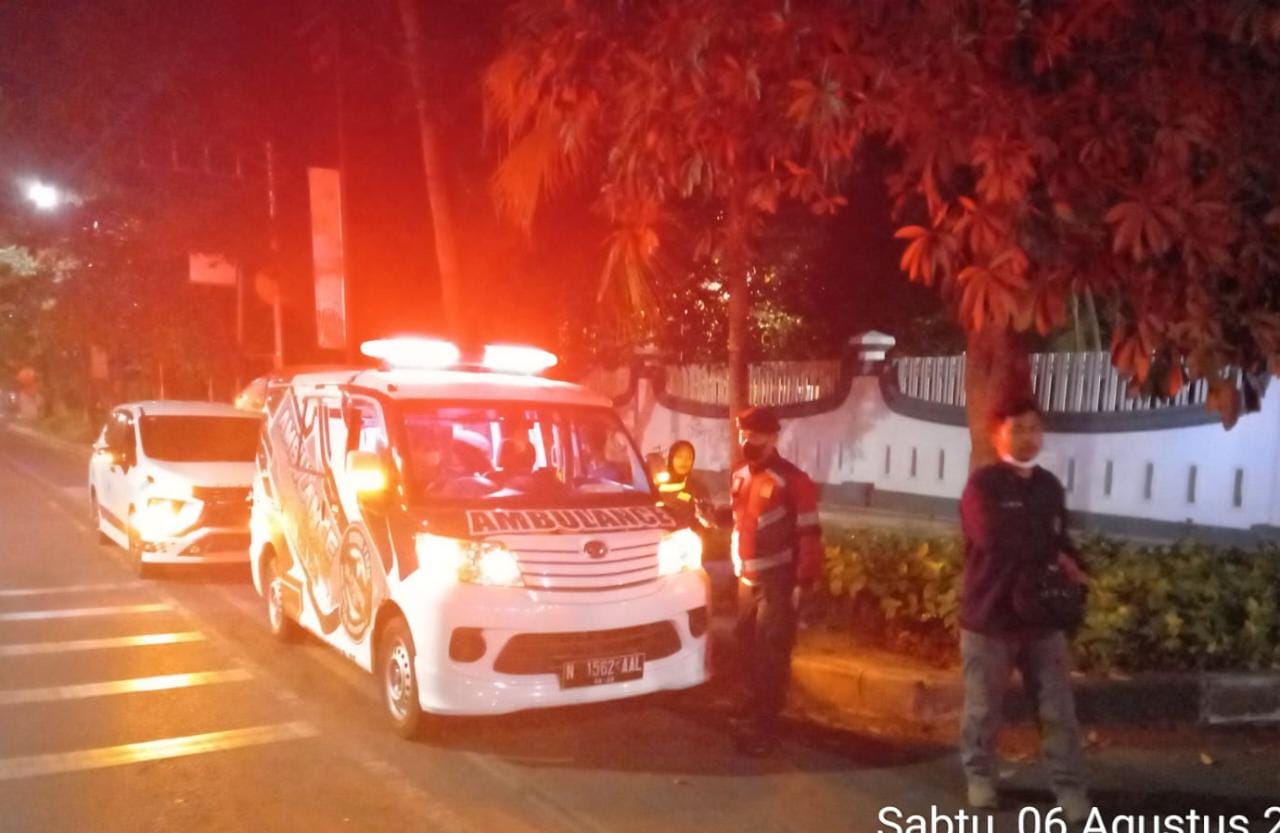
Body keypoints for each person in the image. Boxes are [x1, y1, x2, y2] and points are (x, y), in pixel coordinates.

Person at [958, 397, 1091, 822]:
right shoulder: (982, 487)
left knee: (1058, 710)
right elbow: (995, 539)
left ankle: (1069, 788)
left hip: (1041, 619)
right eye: (1018, 429)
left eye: (1035, 429)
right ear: (997, 434)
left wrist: (1076, 566)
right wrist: (1049, 549)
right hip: (990, 617)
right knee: (983, 710)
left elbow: (1060, 539)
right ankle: (980, 777)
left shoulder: (1048, 486)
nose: (1028, 438)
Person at [729, 407, 821, 756]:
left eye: (754, 435)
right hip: (746, 580)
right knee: (746, 647)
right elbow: (743, 520)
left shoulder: (794, 481)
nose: (747, 441)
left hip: (777, 582)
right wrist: (714, 516)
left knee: (771, 655)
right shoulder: (740, 475)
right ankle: (750, 710)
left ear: (772, 437)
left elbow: (809, 533)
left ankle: (765, 727)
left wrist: (804, 581)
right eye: (743, 434)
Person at [655, 440, 709, 528]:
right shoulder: (657, 484)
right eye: (679, 456)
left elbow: (708, 517)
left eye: (689, 457)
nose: (684, 461)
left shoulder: (697, 487)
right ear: (671, 458)